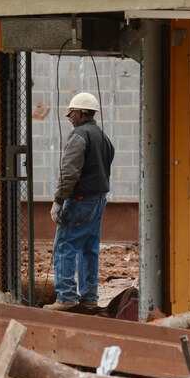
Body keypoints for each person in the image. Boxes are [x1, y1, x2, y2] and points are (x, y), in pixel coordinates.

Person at [45, 92, 115, 311]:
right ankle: (89, 298)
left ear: (81, 113)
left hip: (81, 200)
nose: (69, 117)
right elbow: (108, 159)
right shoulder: (102, 136)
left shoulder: (79, 135)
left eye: (71, 113)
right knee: (89, 248)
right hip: (98, 200)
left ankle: (66, 297)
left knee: (65, 246)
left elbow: (69, 172)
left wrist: (58, 200)